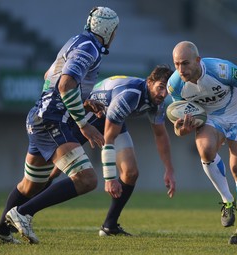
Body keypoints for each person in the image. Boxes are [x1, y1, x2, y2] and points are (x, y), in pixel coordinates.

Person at [0, 6, 119, 244]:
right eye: (115, 30)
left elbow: (49, 76)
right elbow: (65, 84)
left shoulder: (76, 41)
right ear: (108, 29)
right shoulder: (89, 47)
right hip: (53, 120)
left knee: (30, 185)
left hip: (39, 116)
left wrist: (83, 104)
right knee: (87, 179)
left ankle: (1, 232)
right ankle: (23, 213)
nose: (115, 35)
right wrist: (83, 124)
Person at [167, 41, 237, 245]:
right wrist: (181, 129)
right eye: (176, 64)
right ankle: (227, 201)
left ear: (198, 61)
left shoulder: (221, 70)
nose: (181, 70)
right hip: (210, 118)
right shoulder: (174, 85)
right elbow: (178, 125)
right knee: (206, 149)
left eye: (185, 63)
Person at [66, 66, 176, 236]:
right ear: (149, 83)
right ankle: (20, 212)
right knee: (53, 170)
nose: (163, 94)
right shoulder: (130, 95)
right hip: (91, 115)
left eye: (167, 90)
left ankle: (109, 226)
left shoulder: (157, 102)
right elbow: (108, 139)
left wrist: (169, 169)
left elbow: (161, 135)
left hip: (114, 118)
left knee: (130, 173)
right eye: (160, 87)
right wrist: (110, 178)